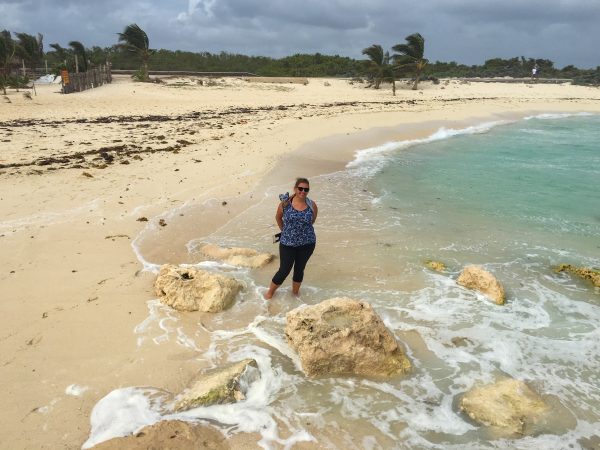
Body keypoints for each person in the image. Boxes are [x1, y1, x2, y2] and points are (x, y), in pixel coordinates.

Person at [264, 178, 318, 299]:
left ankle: (295, 294)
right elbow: (278, 217)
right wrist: (285, 231)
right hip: (287, 244)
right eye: (300, 188)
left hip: (307, 244)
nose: (303, 191)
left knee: (299, 269)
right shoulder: (285, 204)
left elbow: (312, 221)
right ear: (295, 188)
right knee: (284, 270)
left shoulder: (312, 205)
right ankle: (269, 294)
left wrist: (301, 232)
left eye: (306, 189)